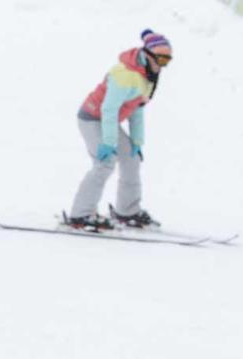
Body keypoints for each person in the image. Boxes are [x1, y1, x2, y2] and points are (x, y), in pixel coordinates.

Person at [66, 30, 172, 231]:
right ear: (147, 54)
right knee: (105, 162)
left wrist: (137, 142)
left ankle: (127, 211)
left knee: (132, 159)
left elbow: (137, 109)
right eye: (161, 59)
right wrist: (108, 142)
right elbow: (108, 109)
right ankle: (80, 214)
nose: (163, 65)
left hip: (108, 120)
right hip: (92, 118)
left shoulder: (148, 76)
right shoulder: (125, 75)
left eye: (167, 60)